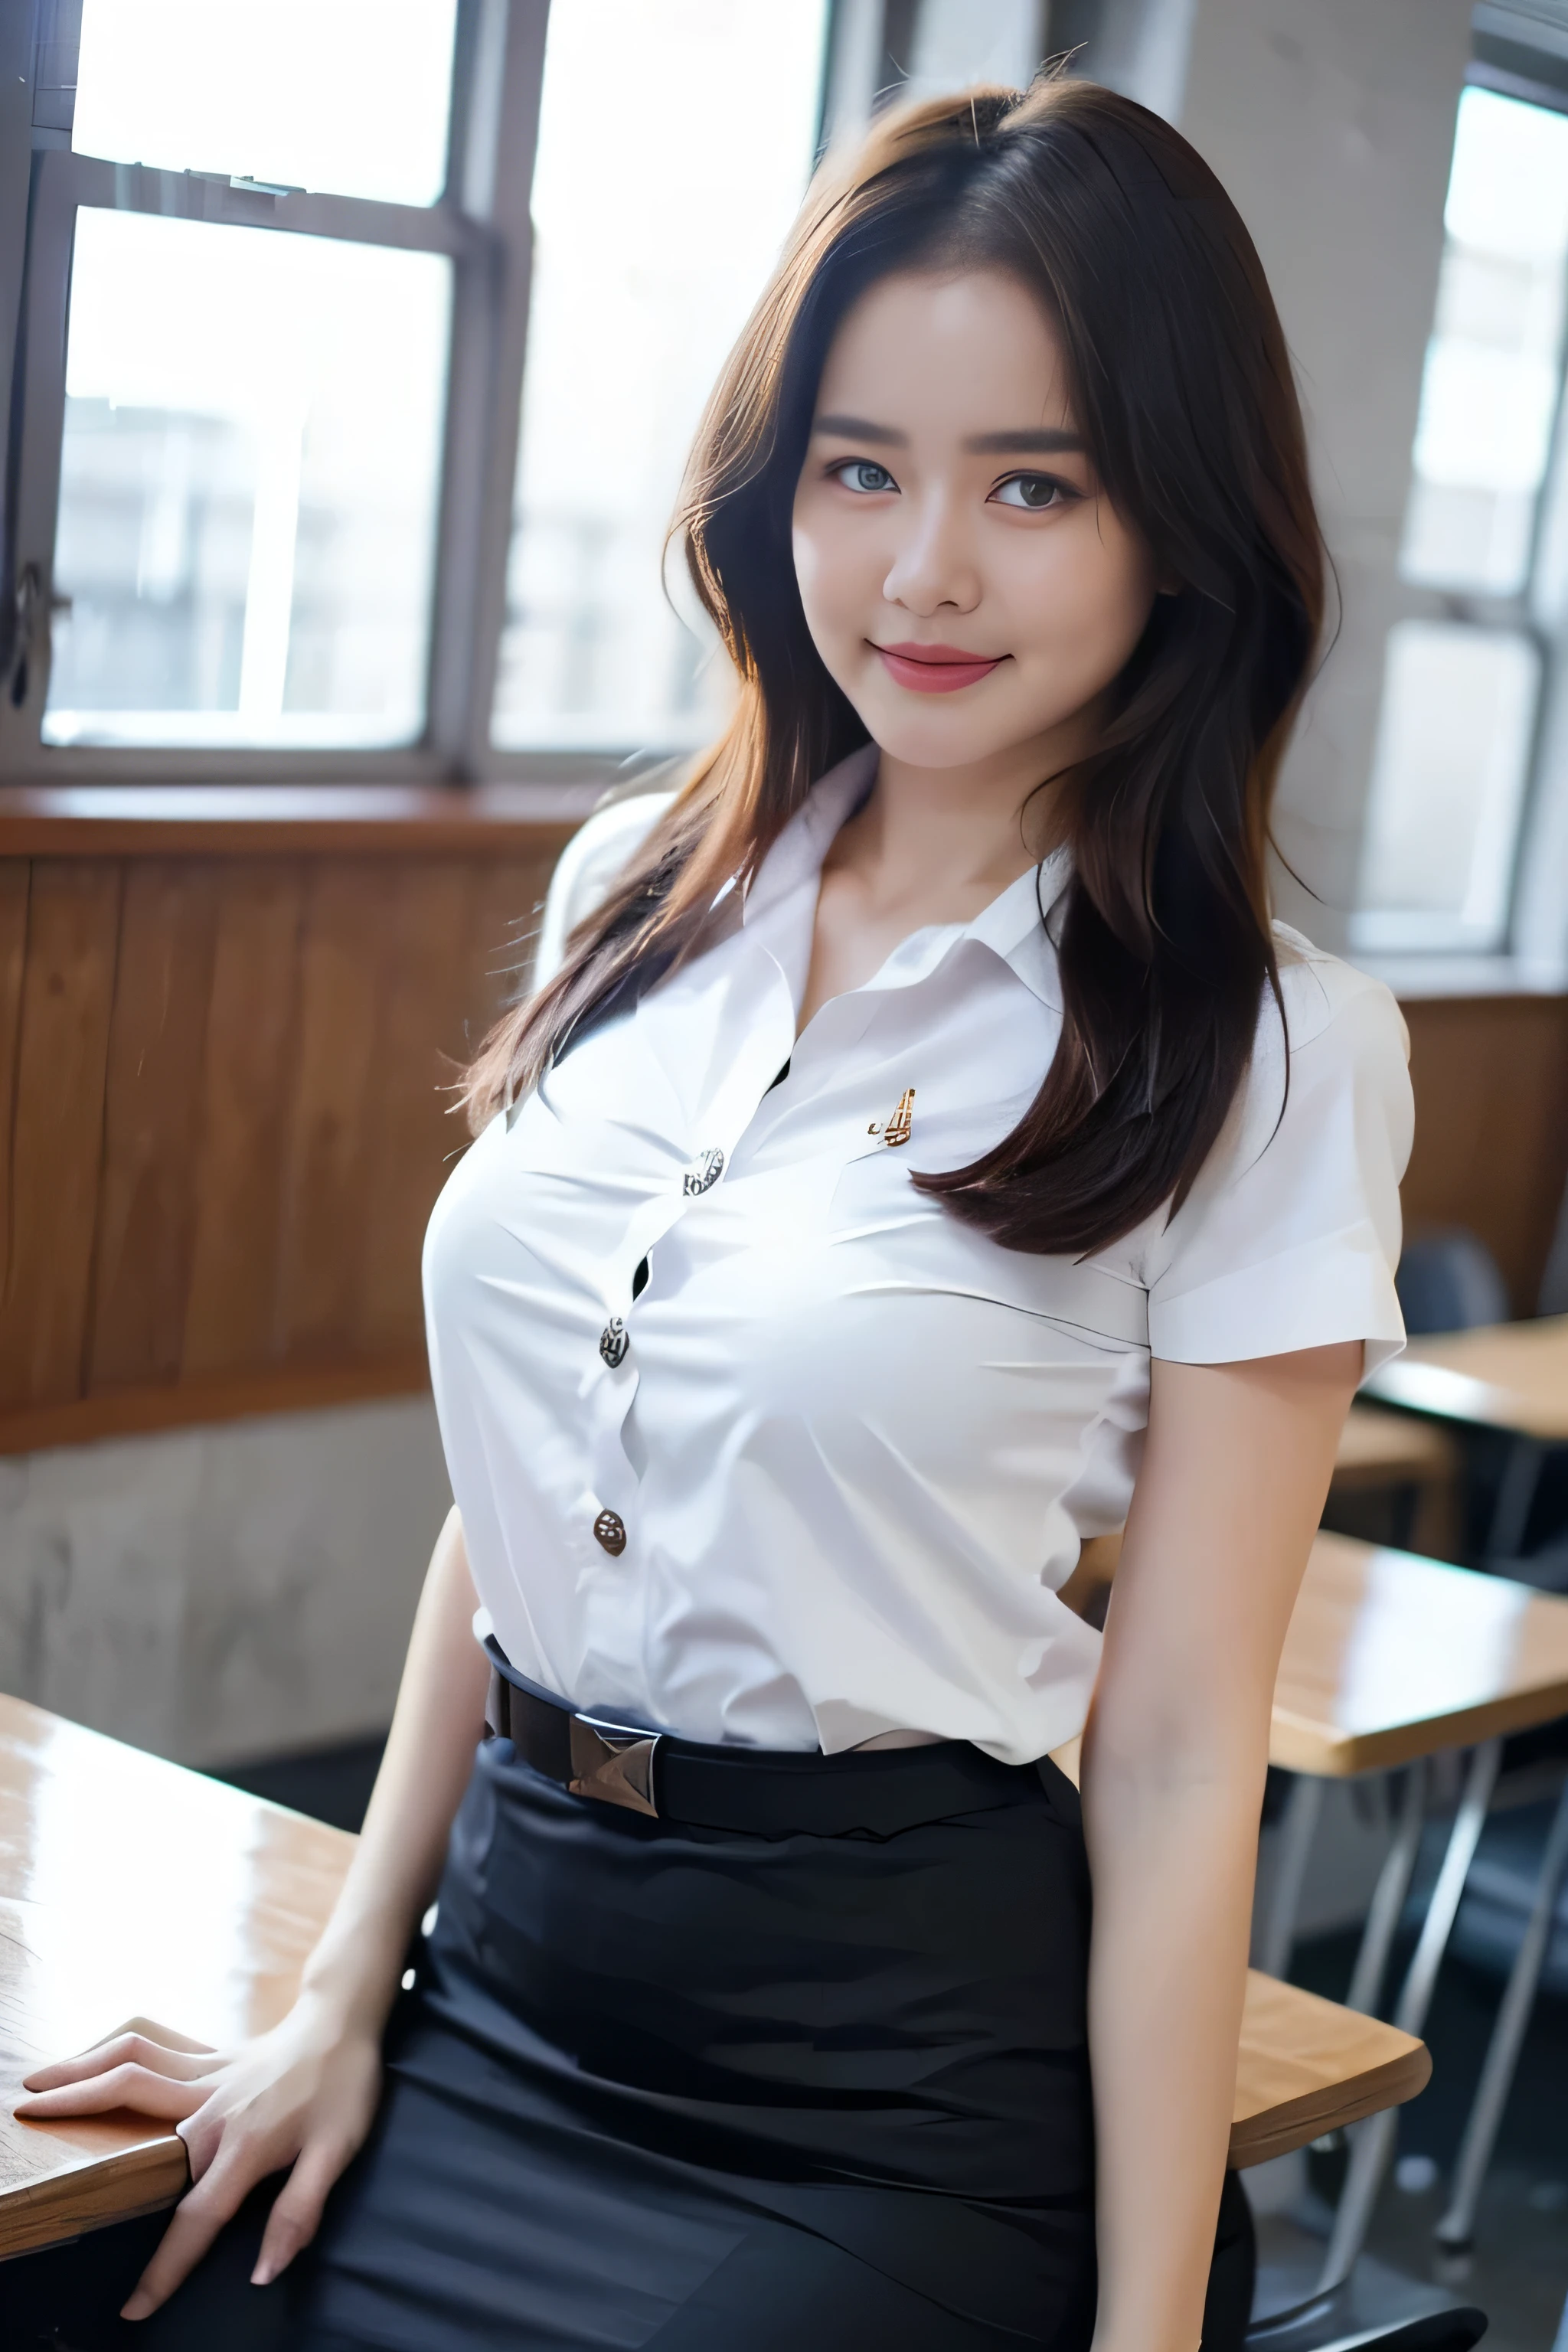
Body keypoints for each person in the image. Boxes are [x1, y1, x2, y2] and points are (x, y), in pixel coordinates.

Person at [15, 76, 1411, 2352]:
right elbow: (521, 1500)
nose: (922, 569)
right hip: (501, 1972)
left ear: (1182, 528)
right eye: (859, 469)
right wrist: (340, 1994)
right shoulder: (640, 881)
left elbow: (1168, 1758)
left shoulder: (1266, 1053)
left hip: (882, 2088)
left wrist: (1147, 2341)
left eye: (1032, 486)